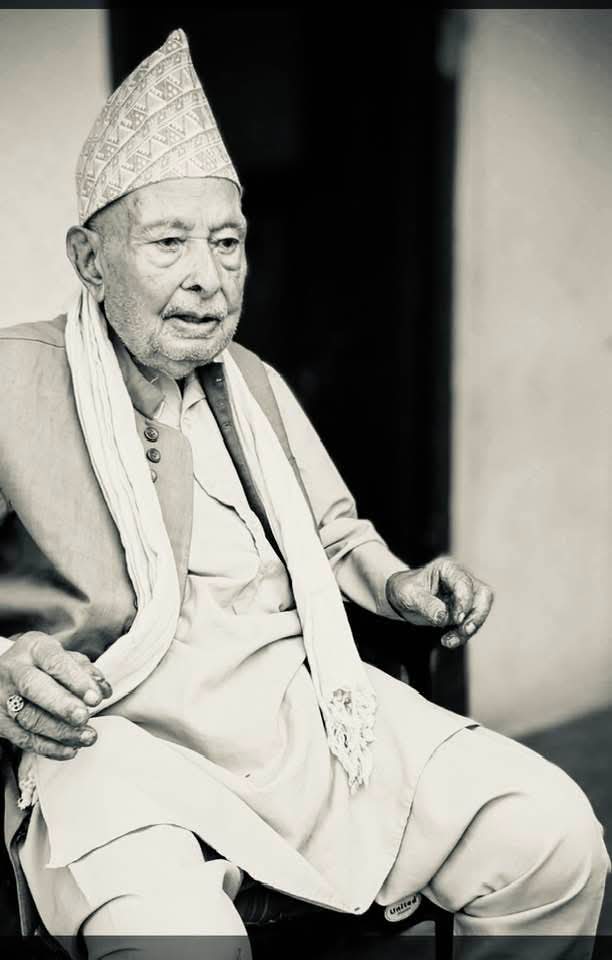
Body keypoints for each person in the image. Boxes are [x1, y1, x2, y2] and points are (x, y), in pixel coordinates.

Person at [0, 27, 608, 960]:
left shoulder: (253, 384)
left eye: (228, 244)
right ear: (88, 258)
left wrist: (396, 583)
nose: (208, 280)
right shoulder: (14, 381)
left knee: (553, 837)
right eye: (168, 242)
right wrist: (8, 667)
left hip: (301, 718)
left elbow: (332, 534)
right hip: (112, 745)